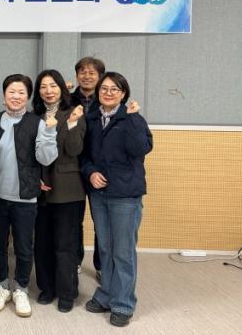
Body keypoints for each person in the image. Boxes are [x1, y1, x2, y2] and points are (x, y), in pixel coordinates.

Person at [82, 72, 152, 328]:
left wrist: (132, 118)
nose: (108, 93)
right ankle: (106, 295)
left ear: (123, 94)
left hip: (125, 195)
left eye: (115, 89)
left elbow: (140, 149)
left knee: (123, 252)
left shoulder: (133, 118)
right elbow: (83, 155)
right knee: (105, 248)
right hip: (99, 194)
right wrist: (90, 173)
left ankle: (123, 303)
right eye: (104, 88)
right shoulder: (91, 118)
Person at [0, 74, 57, 318]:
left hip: (25, 197)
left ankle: (21, 288)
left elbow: (46, 158)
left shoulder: (37, 122)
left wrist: (49, 131)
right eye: (11, 92)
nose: (16, 96)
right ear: (4, 95)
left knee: (24, 246)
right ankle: (1, 285)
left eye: (21, 93)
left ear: (28, 97)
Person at [32, 70, 86, 313]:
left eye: (53, 85)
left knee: (65, 244)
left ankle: (67, 292)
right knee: (42, 243)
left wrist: (72, 124)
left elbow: (74, 150)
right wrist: (34, 179)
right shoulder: (34, 116)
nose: (48, 91)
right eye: (43, 86)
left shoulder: (73, 113)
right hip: (40, 189)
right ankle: (47, 288)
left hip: (68, 189)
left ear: (62, 88)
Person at [71, 56, 106, 281]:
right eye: (82, 72)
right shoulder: (67, 99)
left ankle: (101, 265)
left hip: (97, 169)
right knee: (74, 220)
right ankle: (75, 260)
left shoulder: (106, 99)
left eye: (92, 72)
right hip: (72, 167)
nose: (87, 76)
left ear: (100, 76)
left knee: (100, 220)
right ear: (76, 76)